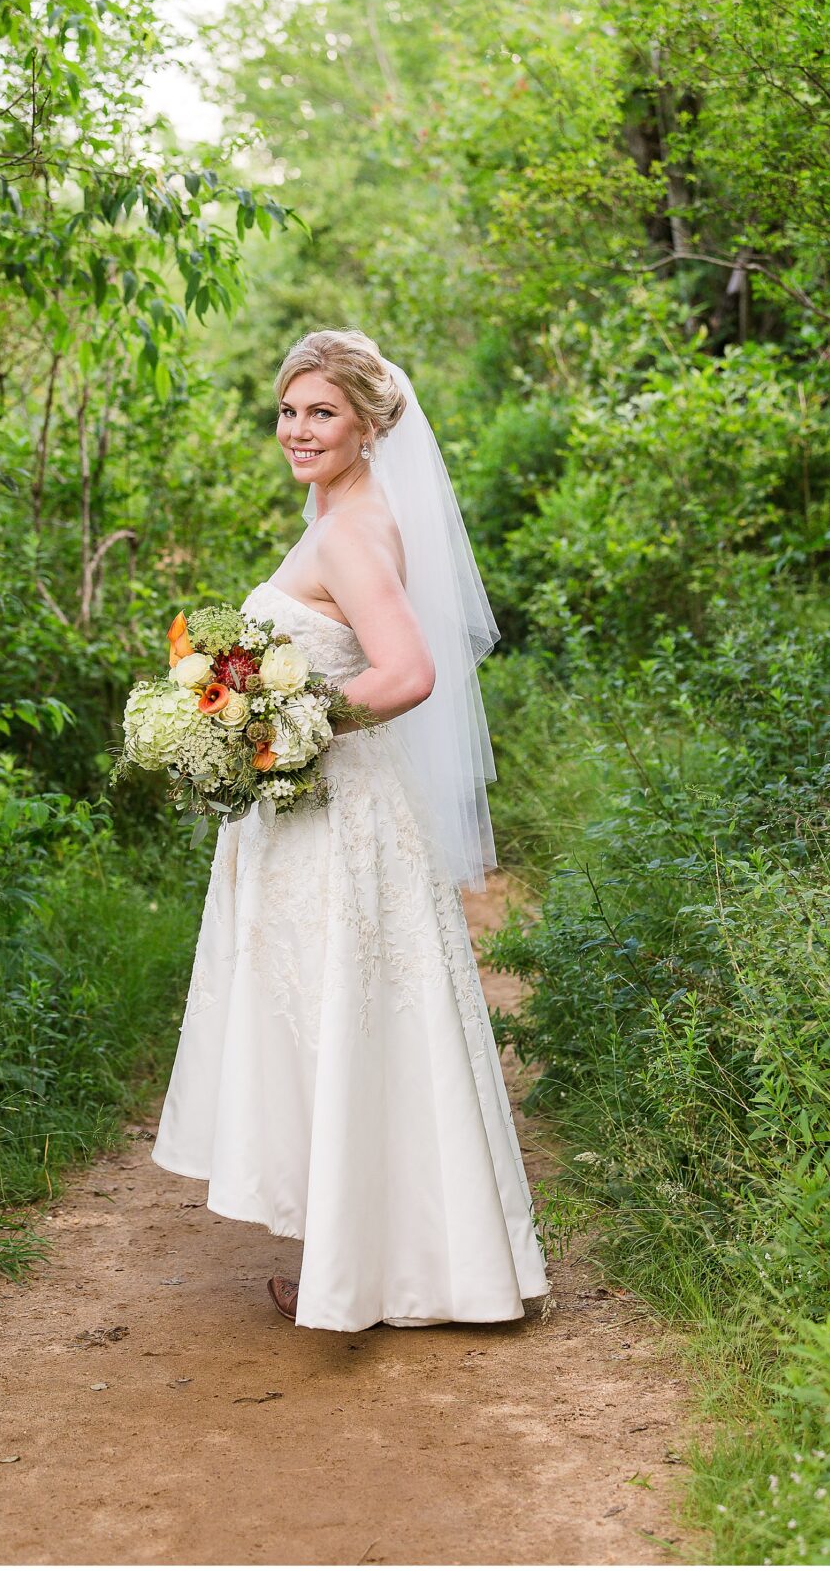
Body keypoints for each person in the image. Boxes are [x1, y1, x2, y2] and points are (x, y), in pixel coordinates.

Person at [151, 327, 551, 1330]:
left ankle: (372, 1270)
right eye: (288, 410)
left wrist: (289, 722)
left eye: (321, 412)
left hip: (341, 819)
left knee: (346, 1023)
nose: (298, 428)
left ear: (371, 422)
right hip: (324, 814)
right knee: (350, 1029)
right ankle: (371, 1258)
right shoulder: (335, 512)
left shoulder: (349, 528)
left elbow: (407, 671)